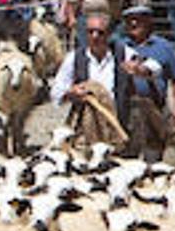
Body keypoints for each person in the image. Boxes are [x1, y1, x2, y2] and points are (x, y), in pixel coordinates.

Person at [114, 5, 175, 162]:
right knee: (127, 154)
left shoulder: (163, 47)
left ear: (148, 22)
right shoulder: (120, 47)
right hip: (127, 108)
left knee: (153, 153)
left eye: (138, 20)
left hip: (154, 107)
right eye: (129, 20)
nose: (133, 24)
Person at [51, 11, 127, 146]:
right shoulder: (74, 58)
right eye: (90, 32)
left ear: (109, 34)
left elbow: (150, 66)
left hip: (116, 125)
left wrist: (141, 69)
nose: (95, 36)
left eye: (100, 32)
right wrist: (71, 92)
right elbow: (56, 92)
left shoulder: (122, 54)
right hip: (85, 128)